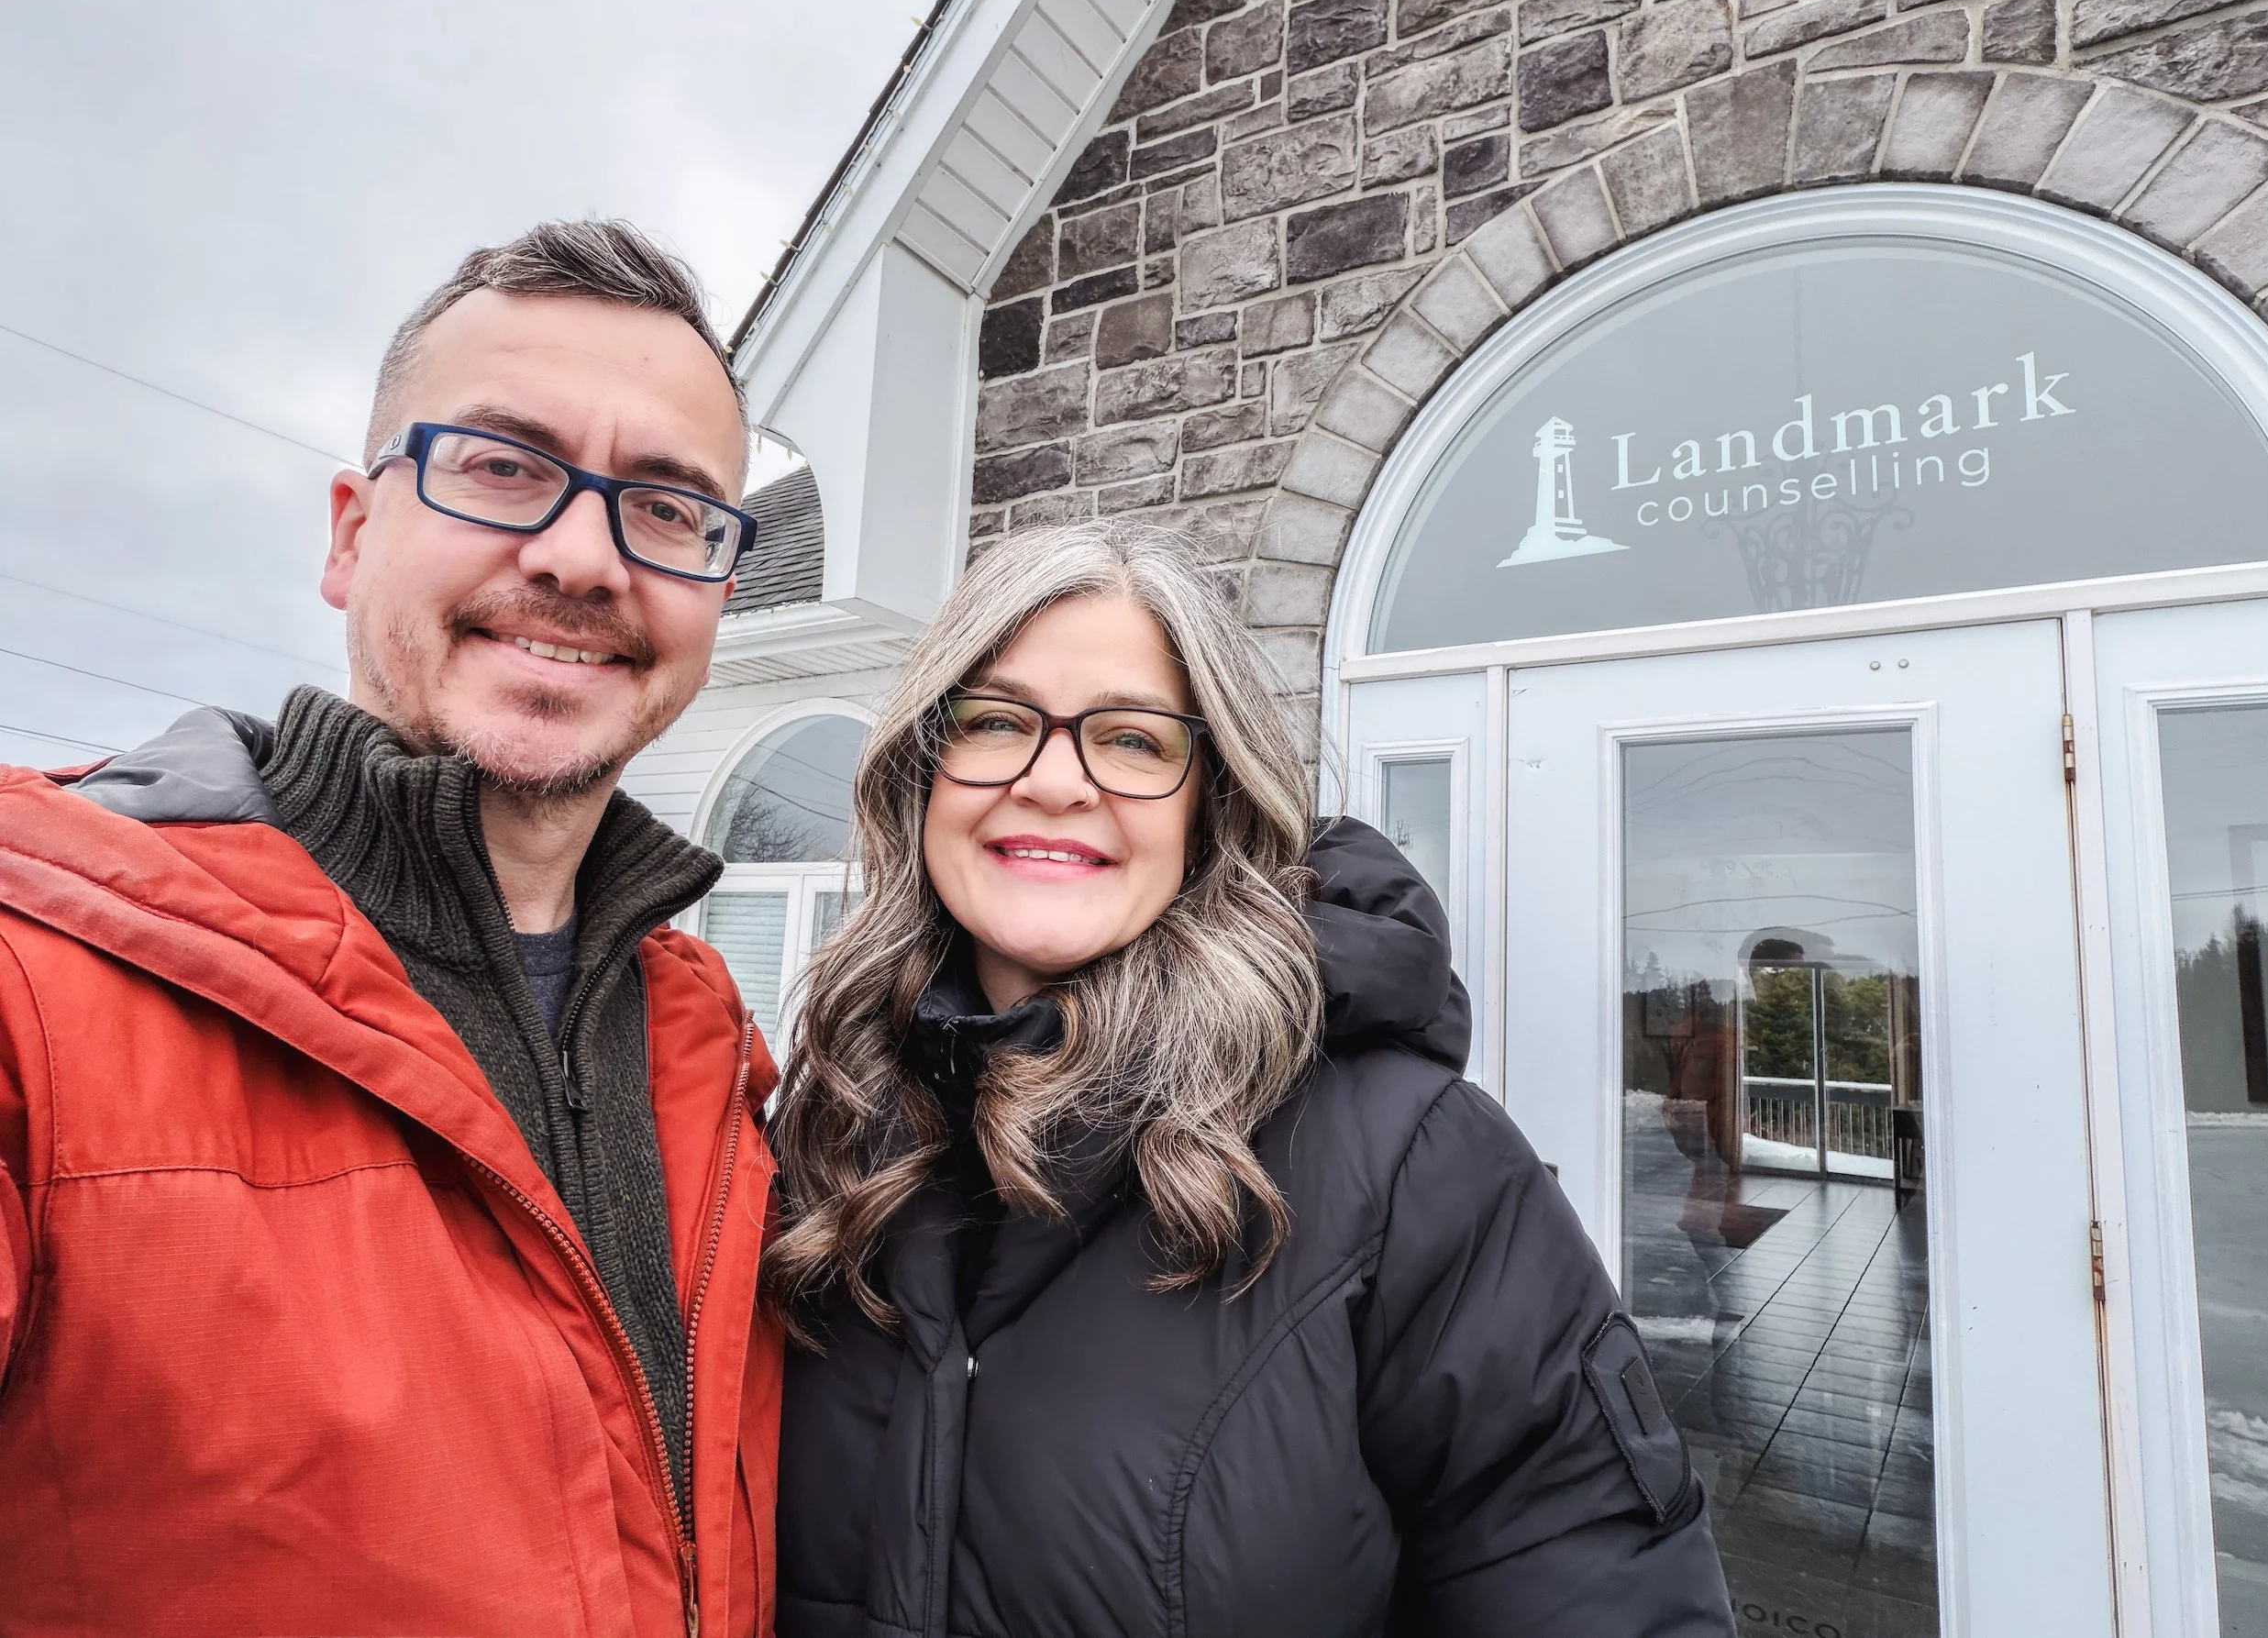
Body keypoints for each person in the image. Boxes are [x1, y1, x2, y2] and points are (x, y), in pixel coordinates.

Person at [0, 221, 781, 1636]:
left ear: (721, 587)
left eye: (671, 510)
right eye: (503, 467)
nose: (584, 556)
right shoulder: (33, 980)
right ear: (353, 533)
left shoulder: (723, 1058)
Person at [769, 521, 1733, 1637]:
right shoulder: (825, 1131)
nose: (1053, 781)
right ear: (921, 772)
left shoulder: (1414, 1165)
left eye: (1132, 741)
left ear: (1208, 805)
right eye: (994, 721)